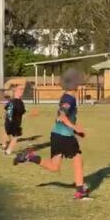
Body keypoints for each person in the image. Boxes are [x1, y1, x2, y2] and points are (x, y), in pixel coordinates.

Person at [13, 70, 90, 200]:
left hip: (56, 135)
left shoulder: (65, 97)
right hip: (65, 136)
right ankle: (80, 191)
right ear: (75, 85)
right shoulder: (69, 99)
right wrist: (75, 128)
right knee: (78, 160)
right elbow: (62, 116)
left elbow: (61, 117)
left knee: (54, 166)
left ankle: (30, 157)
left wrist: (75, 130)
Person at [1, 85, 27, 156]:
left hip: (10, 122)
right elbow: (21, 113)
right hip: (15, 122)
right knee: (15, 136)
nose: (21, 92)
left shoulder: (11, 101)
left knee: (7, 133)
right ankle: (8, 151)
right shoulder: (19, 103)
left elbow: (6, 112)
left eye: (22, 90)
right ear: (15, 92)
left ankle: (3, 146)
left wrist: (6, 118)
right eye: (20, 90)